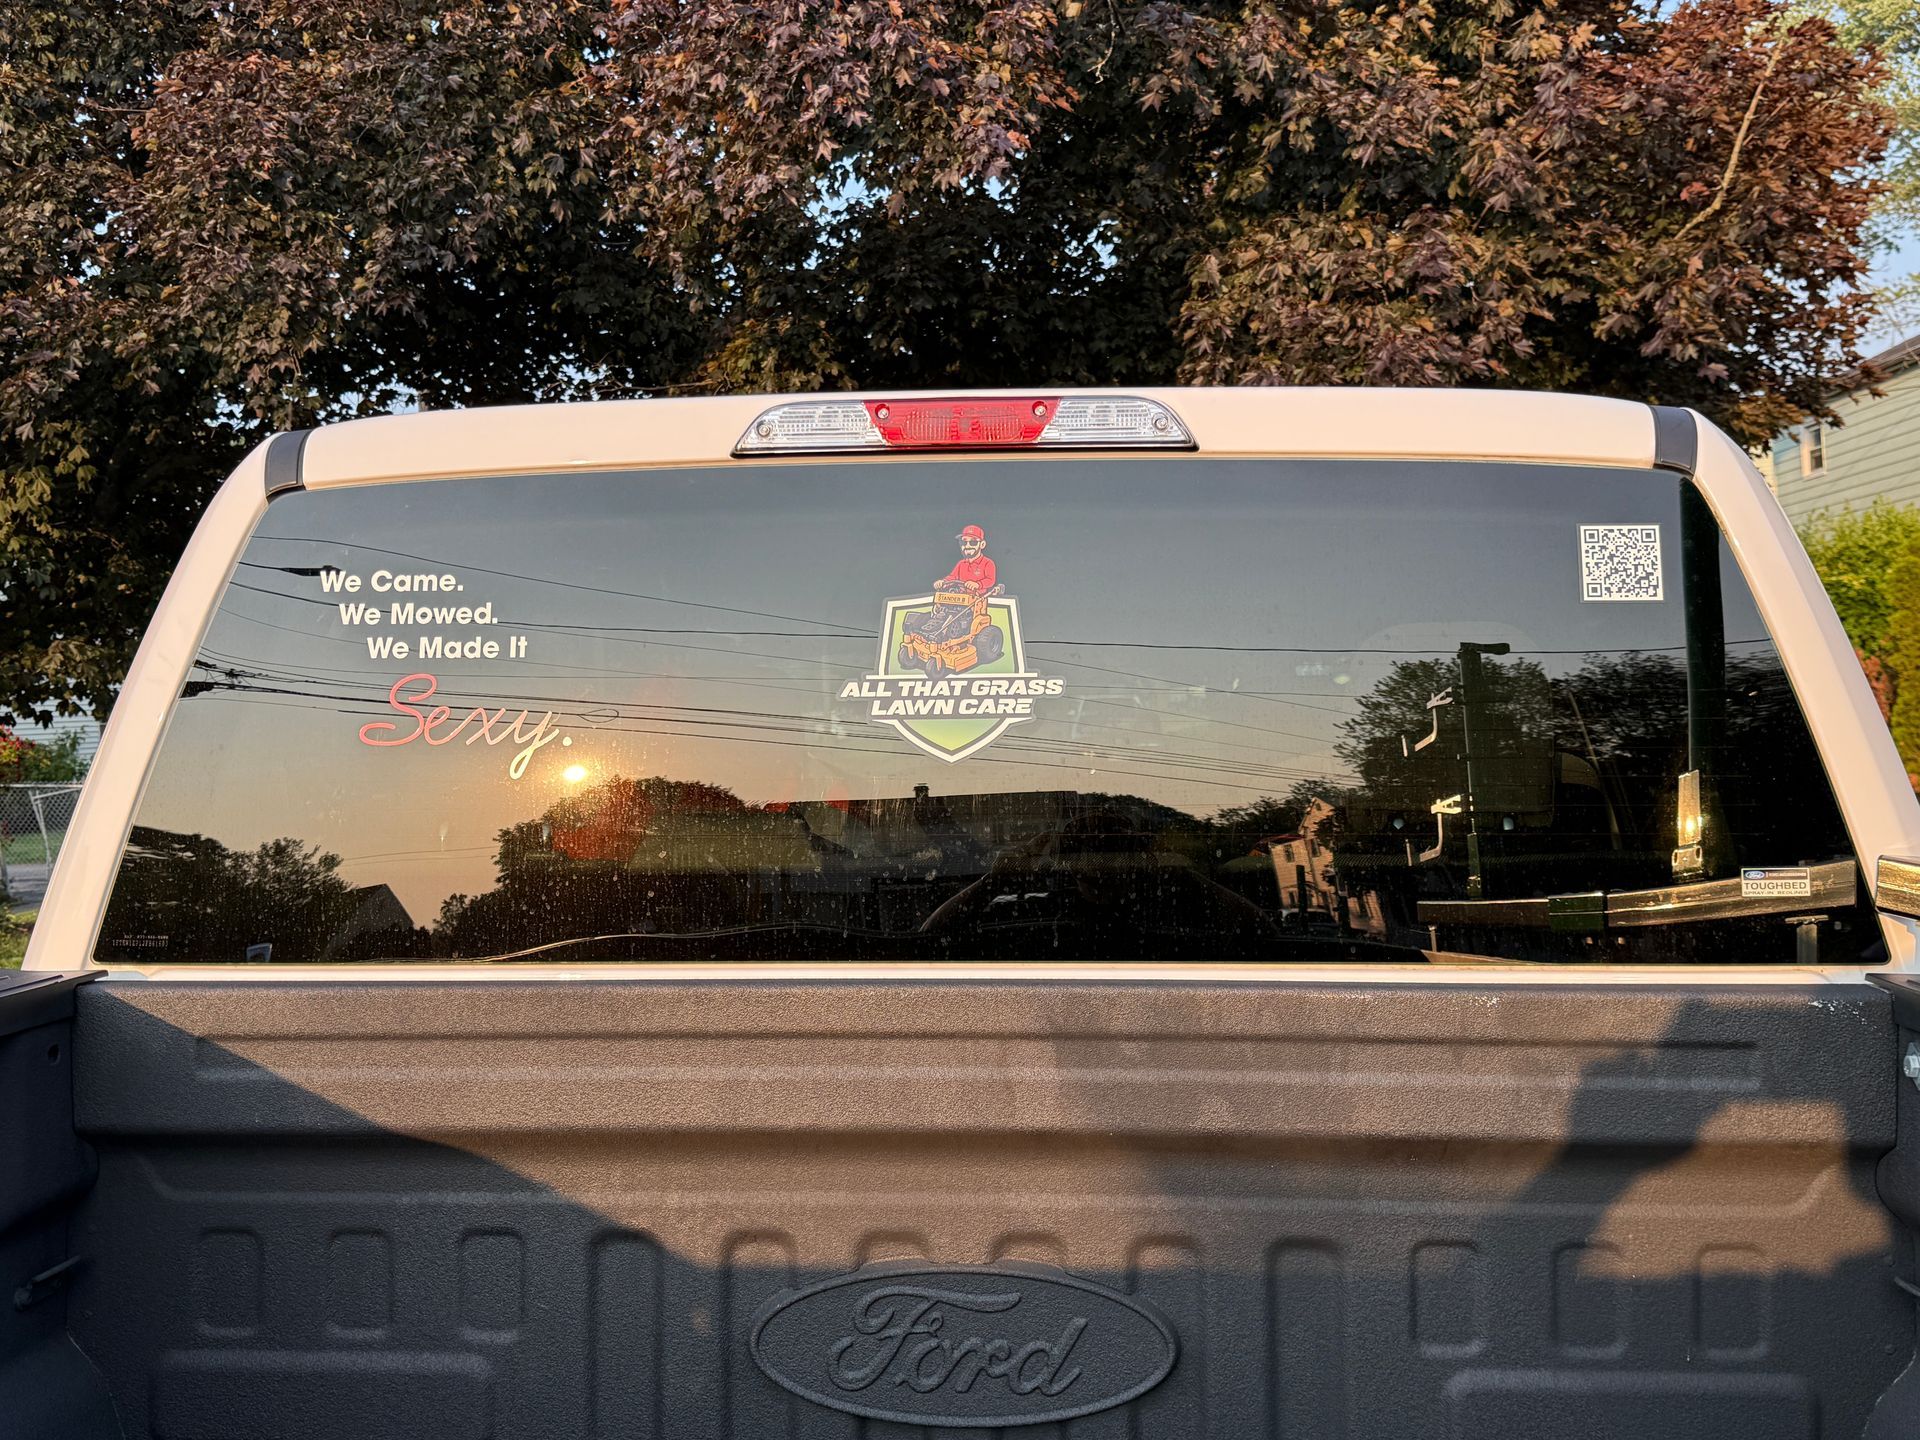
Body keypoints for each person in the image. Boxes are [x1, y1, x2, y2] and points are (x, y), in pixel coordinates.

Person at [936, 524, 997, 594]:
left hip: (979, 599)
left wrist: (978, 584)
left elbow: (990, 580)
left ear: (982, 544)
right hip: (960, 597)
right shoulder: (961, 564)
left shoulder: (988, 563)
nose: (967, 546)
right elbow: (952, 577)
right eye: (964, 542)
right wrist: (943, 582)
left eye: (973, 542)